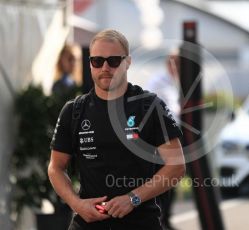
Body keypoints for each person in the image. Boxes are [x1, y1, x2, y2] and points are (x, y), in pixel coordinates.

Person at [48, 29, 186, 230]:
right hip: (88, 222)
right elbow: (55, 167)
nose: (105, 67)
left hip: (140, 223)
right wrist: (76, 204)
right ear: (90, 63)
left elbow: (177, 166)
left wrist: (133, 199)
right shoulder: (74, 110)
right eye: (97, 61)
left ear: (127, 62)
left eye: (113, 61)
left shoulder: (149, 106)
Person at [146, 50, 181, 230]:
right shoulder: (159, 82)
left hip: (171, 140)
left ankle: (165, 219)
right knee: (163, 181)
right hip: (160, 142)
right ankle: (160, 220)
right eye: (176, 63)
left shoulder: (174, 83)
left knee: (171, 182)